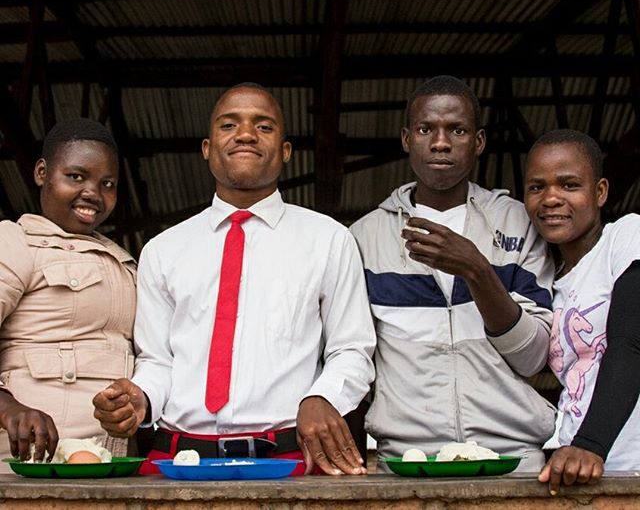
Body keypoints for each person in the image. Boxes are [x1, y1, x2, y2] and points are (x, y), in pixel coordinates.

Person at [92, 83, 376, 476]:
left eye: (264, 126)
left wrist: (322, 397)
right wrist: (140, 399)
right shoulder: (163, 249)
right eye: (229, 125)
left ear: (286, 151)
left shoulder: (329, 240)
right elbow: (159, 361)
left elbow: (352, 350)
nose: (245, 134)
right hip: (176, 463)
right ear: (207, 149)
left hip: (288, 461)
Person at [349, 75, 556, 471]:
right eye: (427, 129)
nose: (441, 142)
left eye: (457, 130)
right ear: (407, 138)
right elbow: (353, 358)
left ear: (477, 142)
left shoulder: (518, 223)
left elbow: (533, 357)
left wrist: (478, 271)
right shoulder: (364, 238)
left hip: (514, 458)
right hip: (407, 461)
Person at [0, 118, 136, 465]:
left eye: (108, 183)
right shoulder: (16, 243)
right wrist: (9, 407)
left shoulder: (126, 264)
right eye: (76, 176)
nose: (93, 192)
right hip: (26, 466)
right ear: (42, 172)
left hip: (107, 463)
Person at [524, 129, 640, 494]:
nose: (551, 199)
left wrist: (591, 444)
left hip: (626, 464)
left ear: (600, 192)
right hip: (575, 469)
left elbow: (631, 342)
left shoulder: (626, 237)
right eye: (536, 187)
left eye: (569, 185)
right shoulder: (546, 284)